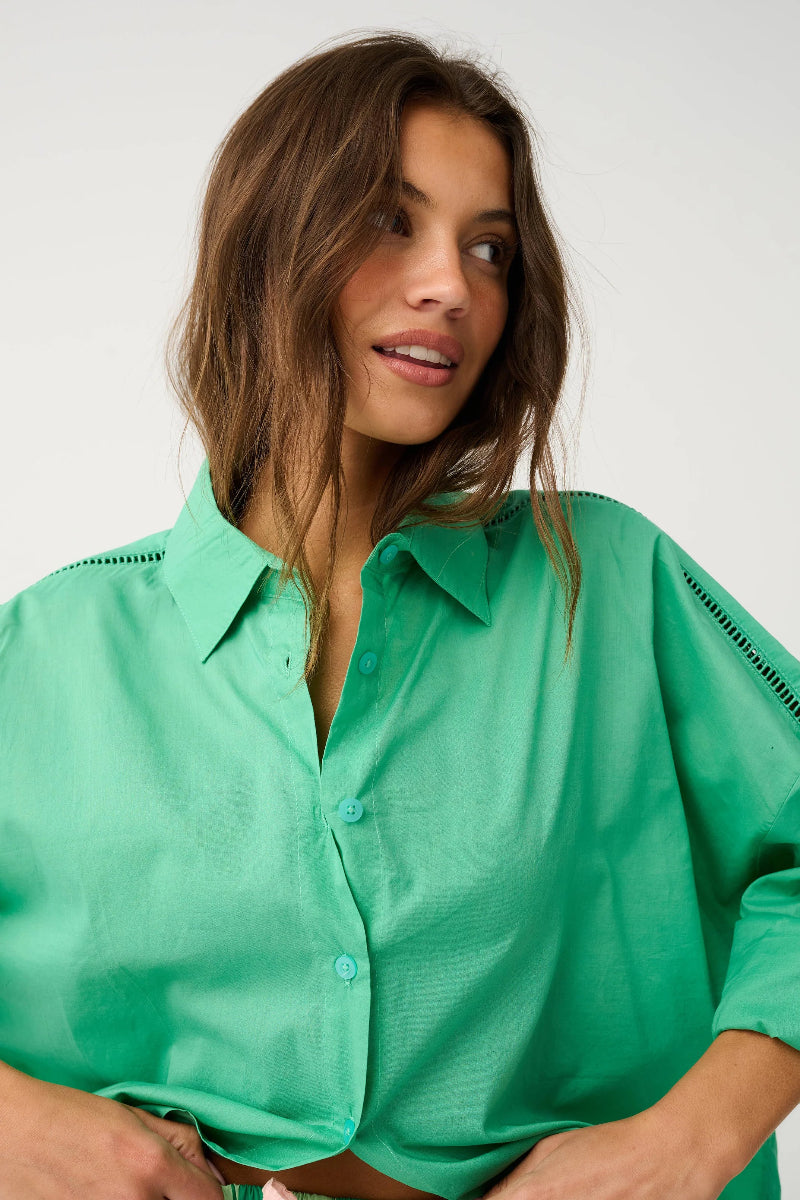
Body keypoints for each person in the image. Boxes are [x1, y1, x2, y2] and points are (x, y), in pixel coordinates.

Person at [1, 27, 799, 1200]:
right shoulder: (46, 654)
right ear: (268, 241)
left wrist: (687, 1139)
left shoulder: (607, 585)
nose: (451, 286)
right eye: (391, 221)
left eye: (490, 250)